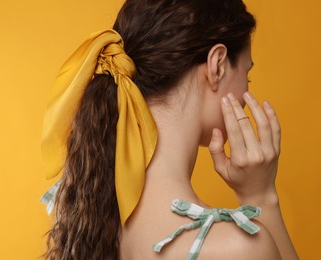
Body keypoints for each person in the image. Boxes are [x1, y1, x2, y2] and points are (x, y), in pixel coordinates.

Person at [40, 0, 299, 259]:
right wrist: (261, 196)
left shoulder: (83, 217)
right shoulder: (236, 249)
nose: (246, 93)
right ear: (217, 65)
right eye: (247, 76)